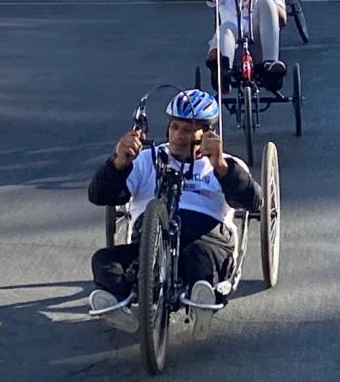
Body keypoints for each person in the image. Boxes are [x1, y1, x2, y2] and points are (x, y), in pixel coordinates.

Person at [88, 89, 262, 340]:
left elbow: (253, 202)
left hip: (205, 238)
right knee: (104, 260)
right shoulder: (145, 160)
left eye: (189, 130)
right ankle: (116, 303)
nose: (179, 136)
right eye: (175, 127)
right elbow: (99, 196)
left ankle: (201, 296)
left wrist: (222, 168)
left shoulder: (225, 164)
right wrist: (118, 164)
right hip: (149, 240)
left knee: (198, 258)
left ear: (208, 134)